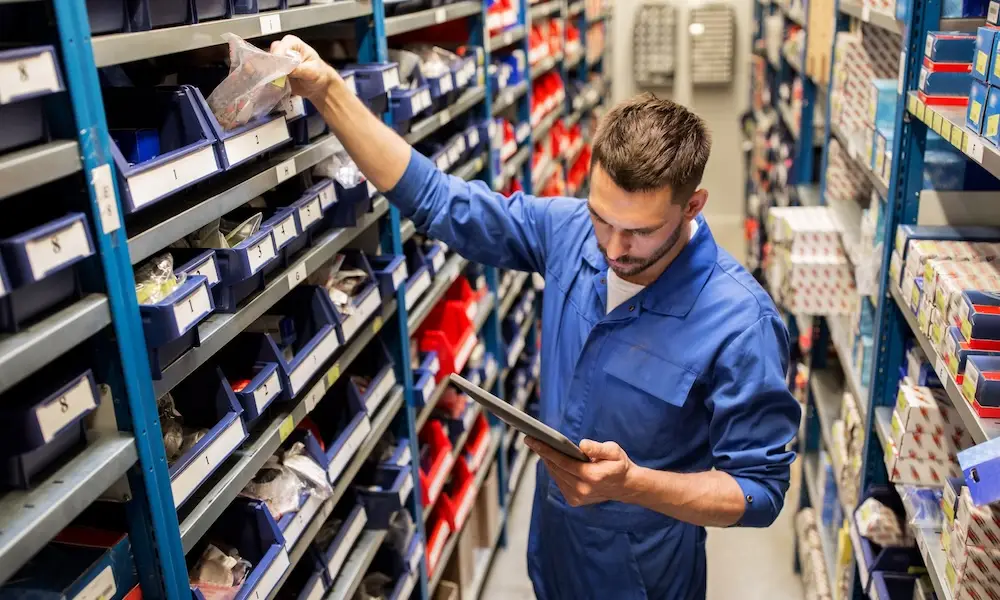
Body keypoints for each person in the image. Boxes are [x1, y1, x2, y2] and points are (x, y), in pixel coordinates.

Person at [272, 35, 801, 600]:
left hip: (644, 574)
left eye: (641, 230)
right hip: (554, 548)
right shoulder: (570, 230)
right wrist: (329, 89)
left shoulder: (742, 323)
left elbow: (758, 492)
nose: (614, 248)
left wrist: (633, 484)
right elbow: (438, 199)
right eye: (602, 217)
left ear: (691, 206)